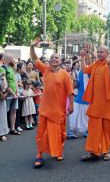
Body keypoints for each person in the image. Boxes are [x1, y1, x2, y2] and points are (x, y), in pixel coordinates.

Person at [30, 38, 74, 168]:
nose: (54, 59)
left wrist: (71, 105)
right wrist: (32, 47)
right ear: (49, 60)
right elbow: (34, 59)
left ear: (60, 61)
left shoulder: (65, 74)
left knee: (61, 133)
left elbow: (70, 91)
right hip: (45, 109)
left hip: (58, 110)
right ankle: (39, 155)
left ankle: (59, 151)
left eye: (57, 57)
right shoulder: (45, 69)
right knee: (41, 133)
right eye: (52, 57)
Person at [80, 45, 110, 161]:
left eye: (101, 52)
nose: (99, 54)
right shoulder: (96, 64)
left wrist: (109, 66)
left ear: (107, 53)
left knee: (108, 129)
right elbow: (84, 70)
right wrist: (82, 57)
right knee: (94, 129)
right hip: (96, 103)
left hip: (108, 103)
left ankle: (106, 151)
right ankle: (93, 152)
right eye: (98, 52)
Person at [2, 54, 20, 135]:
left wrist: (17, 92)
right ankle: (4, 129)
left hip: (14, 94)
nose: (14, 60)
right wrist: (13, 93)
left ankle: (12, 128)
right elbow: (6, 83)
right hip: (8, 95)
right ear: (8, 60)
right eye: (13, 59)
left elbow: (15, 81)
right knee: (4, 112)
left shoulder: (12, 68)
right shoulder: (2, 68)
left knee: (14, 111)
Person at [0, 72, 8, 141]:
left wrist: (5, 94)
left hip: (2, 100)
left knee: (2, 116)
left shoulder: (2, 75)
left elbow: (6, 86)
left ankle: (2, 133)